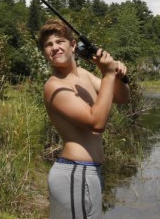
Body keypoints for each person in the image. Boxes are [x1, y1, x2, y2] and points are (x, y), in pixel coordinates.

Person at [38, 19, 130, 219]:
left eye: (59, 41)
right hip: (74, 173)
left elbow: (122, 98)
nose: (54, 47)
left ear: (73, 46)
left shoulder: (85, 75)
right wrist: (107, 74)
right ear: (45, 53)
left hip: (91, 172)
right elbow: (96, 122)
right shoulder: (54, 86)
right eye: (48, 45)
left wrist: (117, 75)